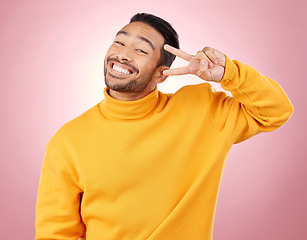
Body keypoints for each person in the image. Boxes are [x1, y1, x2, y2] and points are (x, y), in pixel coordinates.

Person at [35, 13, 293, 240]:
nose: (122, 54)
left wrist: (229, 73)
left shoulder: (202, 110)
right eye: (120, 42)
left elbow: (276, 111)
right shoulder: (67, 141)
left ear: (161, 73)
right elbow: (54, 234)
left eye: (141, 50)